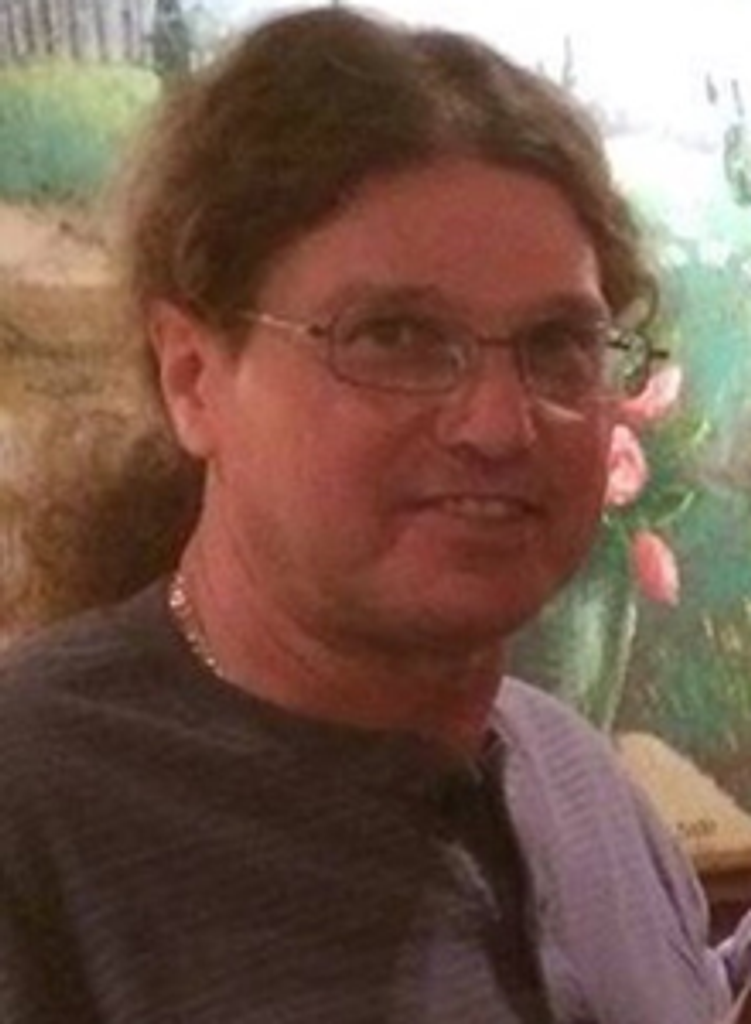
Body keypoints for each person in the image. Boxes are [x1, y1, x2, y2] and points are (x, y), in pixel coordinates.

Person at [0, 6, 737, 1022]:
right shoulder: (33, 824)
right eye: (393, 335)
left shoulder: (583, 789)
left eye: (557, 344)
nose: (497, 422)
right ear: (192, 378)